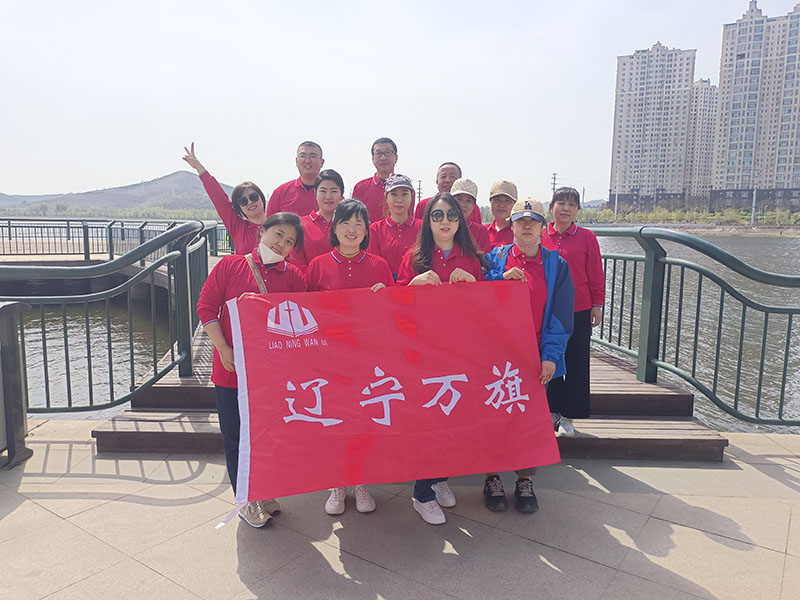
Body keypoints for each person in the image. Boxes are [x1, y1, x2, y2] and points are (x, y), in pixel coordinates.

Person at [196, 213, 306, 528]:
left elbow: (300, 320)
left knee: (267, 436)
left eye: (289, 242)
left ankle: (264, 491)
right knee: (236, 436)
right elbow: (206, 306)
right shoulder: (231, 266)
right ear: (262, 231)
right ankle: (245, 500)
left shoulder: (293, 277)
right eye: (278, 235)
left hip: (270, 374)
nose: (282, 244)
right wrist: (223, 348)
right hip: (232, 369)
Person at [397, 193, 487, 525]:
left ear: (460, 221)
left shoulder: (472, 258)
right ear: (428, 222)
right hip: (424, 354)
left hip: (459, 352)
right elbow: (395, 304)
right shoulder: (414, 257)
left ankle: (439, 478)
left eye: (451, 215)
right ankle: (422, 494)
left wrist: (474, 284)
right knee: (428, 421)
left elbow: (485, 309)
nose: (445, 221)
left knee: (453, 417)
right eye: (437, 215)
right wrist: (413, 283)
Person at [483, 198, 574, 513]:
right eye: (520, 221)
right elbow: (477, 294)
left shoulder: (557, 266)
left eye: (532, 222)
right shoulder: (495, 259)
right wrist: (500, 279)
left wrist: (550, 355)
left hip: (535, 357)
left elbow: (561, 315)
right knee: (495, 416)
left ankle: (525, 480)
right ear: (511, 226)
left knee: (530, 420)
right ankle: (492, 477)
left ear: (542, 227)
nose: (526, 227)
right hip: (497, 356)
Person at [305, 199, 394, 515]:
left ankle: (361, 481)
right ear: (334, 228)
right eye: (345, 223)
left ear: (367, 230)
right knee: (335, 422)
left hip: (368, 359)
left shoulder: (380, 266)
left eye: (359, 224)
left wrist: (386, 297)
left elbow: (394, 314)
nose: (352, 230)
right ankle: (337, 483)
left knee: (364, 421)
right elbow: (306, 312)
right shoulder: (318, 265)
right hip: (330, 359)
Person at [541, 187, 605, 438]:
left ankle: (569, 416)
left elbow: (595, 273)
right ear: (551, 208)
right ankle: (552, 411)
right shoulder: (541, 235)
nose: (565, 208)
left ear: (577, 210)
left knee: (577, 362)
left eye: (571, 204)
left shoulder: (587, 237)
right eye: (561, 203)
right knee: (552, 359)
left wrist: (597, 304)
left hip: (579, 308)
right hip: (549, 309)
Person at [182, 142, 265, 254]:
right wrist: (199, 167)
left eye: (253, 197)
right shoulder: (238, 227)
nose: (250, 202)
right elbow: (219, 198)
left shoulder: (278, 224)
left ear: (261, 197)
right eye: (243, 201)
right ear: (239, 207)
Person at [289, 169, 344, 272]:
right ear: (315, 194)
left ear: (341, 195)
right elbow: (297, 262)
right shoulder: (300, 225)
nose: (328, 196)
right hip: (310, 280)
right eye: (323, 191)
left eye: (334, 191)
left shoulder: (348, 225)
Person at [367, 174, 421, 278]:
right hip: (385, 284)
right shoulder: (375, 229)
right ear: (386, 197)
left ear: (412, 197)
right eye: (394, 194)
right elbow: (374, 264)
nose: (399, 200)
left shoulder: (423, 227)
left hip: (416, 284)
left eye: (404, 194)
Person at [352, 137, 403, 223]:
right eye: (378, 153)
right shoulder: (360, 188)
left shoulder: (405, 189)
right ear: (373, 159)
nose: (383, 158)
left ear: (396, 158)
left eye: (387, 153)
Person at [266, 141, 325, 217]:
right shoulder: (280, 192)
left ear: (322, 162)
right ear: (296, 161)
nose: (307, 161)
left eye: (313, 156)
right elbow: (269, 222)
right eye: (303, 156)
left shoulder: (330, 194)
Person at [413, 163, 482, 224]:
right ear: (437, 182)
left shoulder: (471, 208)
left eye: (452, 176)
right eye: (443, 177)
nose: (447, 180)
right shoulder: (424, 205)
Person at [450, 177, 492, 253]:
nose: (463, 205)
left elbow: (485, 258)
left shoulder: (480, 232)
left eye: (468, 201)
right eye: (459, 199)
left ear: (474, 206)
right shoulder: (440, 227)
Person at [485, 180, 517, 248]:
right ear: (490, 202)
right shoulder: (483, 231)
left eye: (507, 201)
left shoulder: (519, 233)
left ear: (515, 204)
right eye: (497, 200)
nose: (502, 205)